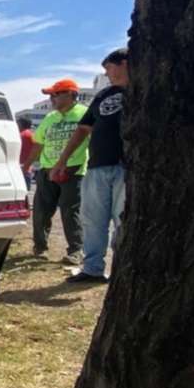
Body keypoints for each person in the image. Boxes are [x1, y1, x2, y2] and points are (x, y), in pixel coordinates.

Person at [53, 48, 129, 284]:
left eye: (109, 67)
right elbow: (83, 129)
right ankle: (93, 268)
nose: (107, 74)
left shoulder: (144, 90)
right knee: (92, 220)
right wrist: (62, 160)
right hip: (97, 166)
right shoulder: (104, 94)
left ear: (125, 63)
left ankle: (123, 271)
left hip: (126, 167)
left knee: (123, 220)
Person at [27, 78, 89, 264]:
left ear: (70, 94)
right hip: (47, 170)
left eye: (55, 94)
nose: (51, 99)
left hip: (73, 170)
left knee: (71, 211)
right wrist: (27, 164)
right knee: (41, 210)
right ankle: (40, 248)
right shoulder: (49, 118)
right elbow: (38, 144)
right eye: (50, 96)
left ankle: (75, 251)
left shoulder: (84, 113)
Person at [17, 117, 36, 191]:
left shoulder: (21, 135)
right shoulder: (32, 134)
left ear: (21, 124)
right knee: (26, 190)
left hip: (21, 166)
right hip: (28, 166)